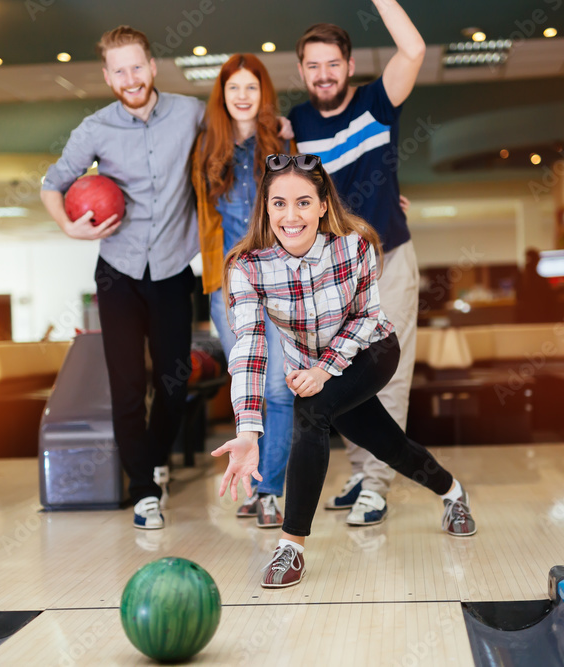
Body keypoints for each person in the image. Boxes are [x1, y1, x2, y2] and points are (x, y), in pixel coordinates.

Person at [212, 154, 476, 589]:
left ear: (321, 205)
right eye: (278, 203)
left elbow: (366, 317)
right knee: (388, 444)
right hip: (313, 370)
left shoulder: (353, 245)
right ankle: (453, 493)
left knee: (311, 411)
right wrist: (247, 430)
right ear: (265, 207)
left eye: (302, 202)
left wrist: (323, 369)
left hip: (370, 350)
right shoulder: (247, 267)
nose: (290, 215)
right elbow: (250, 349)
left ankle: (290, 547)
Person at [41, 26, 205, 531]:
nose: (130, 77)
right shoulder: (94, 128)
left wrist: (278, 127)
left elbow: (241, 128)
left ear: (152, 67)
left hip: (176, 267)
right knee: (127, 385)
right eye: (119, 70)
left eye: (137, 66)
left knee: (174, 384)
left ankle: (154, 459)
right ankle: (143, 491)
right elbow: (53, 183)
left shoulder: (191, 112)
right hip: (118, 272)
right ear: (108, 77)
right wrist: (69, 226)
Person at [288, 1, 426, 527]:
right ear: (302, 71)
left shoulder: (377, 101)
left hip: (389, 259)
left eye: (333, 64)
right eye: (313, 66)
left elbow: (412, 49)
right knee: (340, 375)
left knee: (388, 373)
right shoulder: (296, 124)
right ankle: (362, 468)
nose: (324, 75)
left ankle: (378, 484)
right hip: (334, 273)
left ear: (349, 66)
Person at [191, 54, 296, 528]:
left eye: (251, 87)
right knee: (247, 387)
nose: (242, 96)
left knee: (278, 388)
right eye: (234, 88)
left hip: (280, 280)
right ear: (223, 95)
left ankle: (269, 491)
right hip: (228, 286)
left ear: (262, 93)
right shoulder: (206, 147)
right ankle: (257, 485)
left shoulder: (282, 141)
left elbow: (310, 199)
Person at [515, 248, 557, 323]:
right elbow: (550, 297)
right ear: (537, 261)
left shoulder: (520, 278)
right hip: (539, 317)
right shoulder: (540, 280)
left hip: (524, 318)